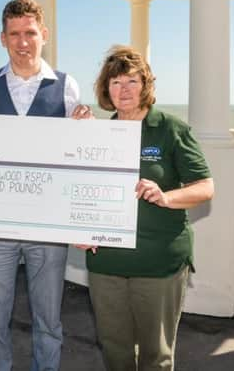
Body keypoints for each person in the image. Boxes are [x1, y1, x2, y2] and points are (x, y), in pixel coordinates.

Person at [0, 0, 91, 371]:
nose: (23, 42)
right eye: (14, 34)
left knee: (49, 322)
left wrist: (85, 128)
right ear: (3, 38)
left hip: (47, 227)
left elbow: (75, 155)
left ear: (43, 35)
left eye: (30, 32)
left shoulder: (66, 87)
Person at [77, 45, 214, 371]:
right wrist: (76, 227)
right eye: (115, 83)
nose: (123, 90)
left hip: (158, 263)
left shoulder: (170, 128)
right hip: (106, 261)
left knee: (157, 356)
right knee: (115, 351)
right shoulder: (97, 134)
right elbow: (74, 188)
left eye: (131, 82)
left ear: (146, 85)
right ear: (105, 89)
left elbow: (206, 187)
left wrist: (167, 197)